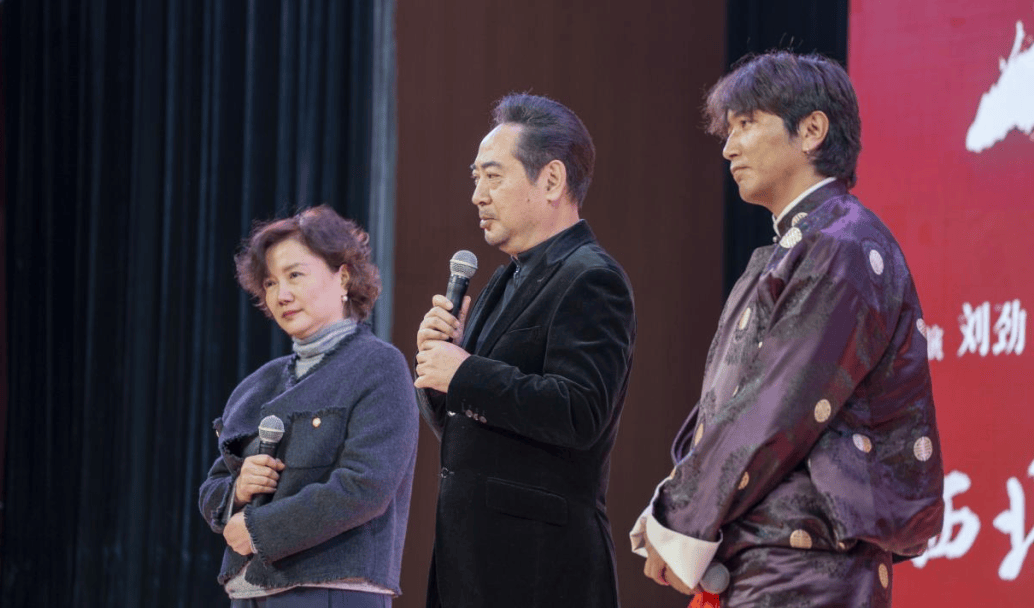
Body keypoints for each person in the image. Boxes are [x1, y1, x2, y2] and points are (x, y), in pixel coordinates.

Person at [631, 51, 945, 606]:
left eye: (746, 124)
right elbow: (736, 409)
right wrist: (675, 509)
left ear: (811, 130)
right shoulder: (808, 243)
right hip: (772, 563)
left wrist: (677, 516)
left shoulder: (842, 244)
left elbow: (773, 407)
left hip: (807, 568)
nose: (729, 147)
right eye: (729, 130)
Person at [413, 93, 636, 607]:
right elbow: (468, 426)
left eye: (493, 177)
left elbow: (580, 411)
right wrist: (439, 369)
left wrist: (464, 373)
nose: (477, 195)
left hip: (539, 571)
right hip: (469, 565)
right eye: (475, 178)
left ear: (552, 180)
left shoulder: (591, 277)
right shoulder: (502, 280)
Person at [198, 205, 419, 608]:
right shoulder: (257, 384)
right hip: (247, 594)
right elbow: (212, 488)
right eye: (269, 283)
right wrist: (238, 490)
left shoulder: (378, 366)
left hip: (333, 591)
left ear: (343, 277)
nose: (280, 294)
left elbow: (364, 486)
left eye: (295, 275)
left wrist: (258, 530)